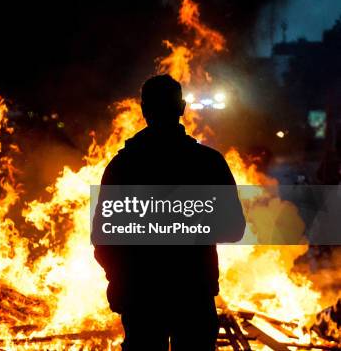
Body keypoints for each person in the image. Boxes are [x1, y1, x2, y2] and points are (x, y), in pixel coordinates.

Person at [93, 74, 245, 350]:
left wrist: (119, 279)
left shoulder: (123, 166)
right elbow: (234, 227)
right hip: (193, 294)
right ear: (182, 108)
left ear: (143, 110)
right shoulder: (208, 163)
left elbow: (104, 239)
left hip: (140, 297)